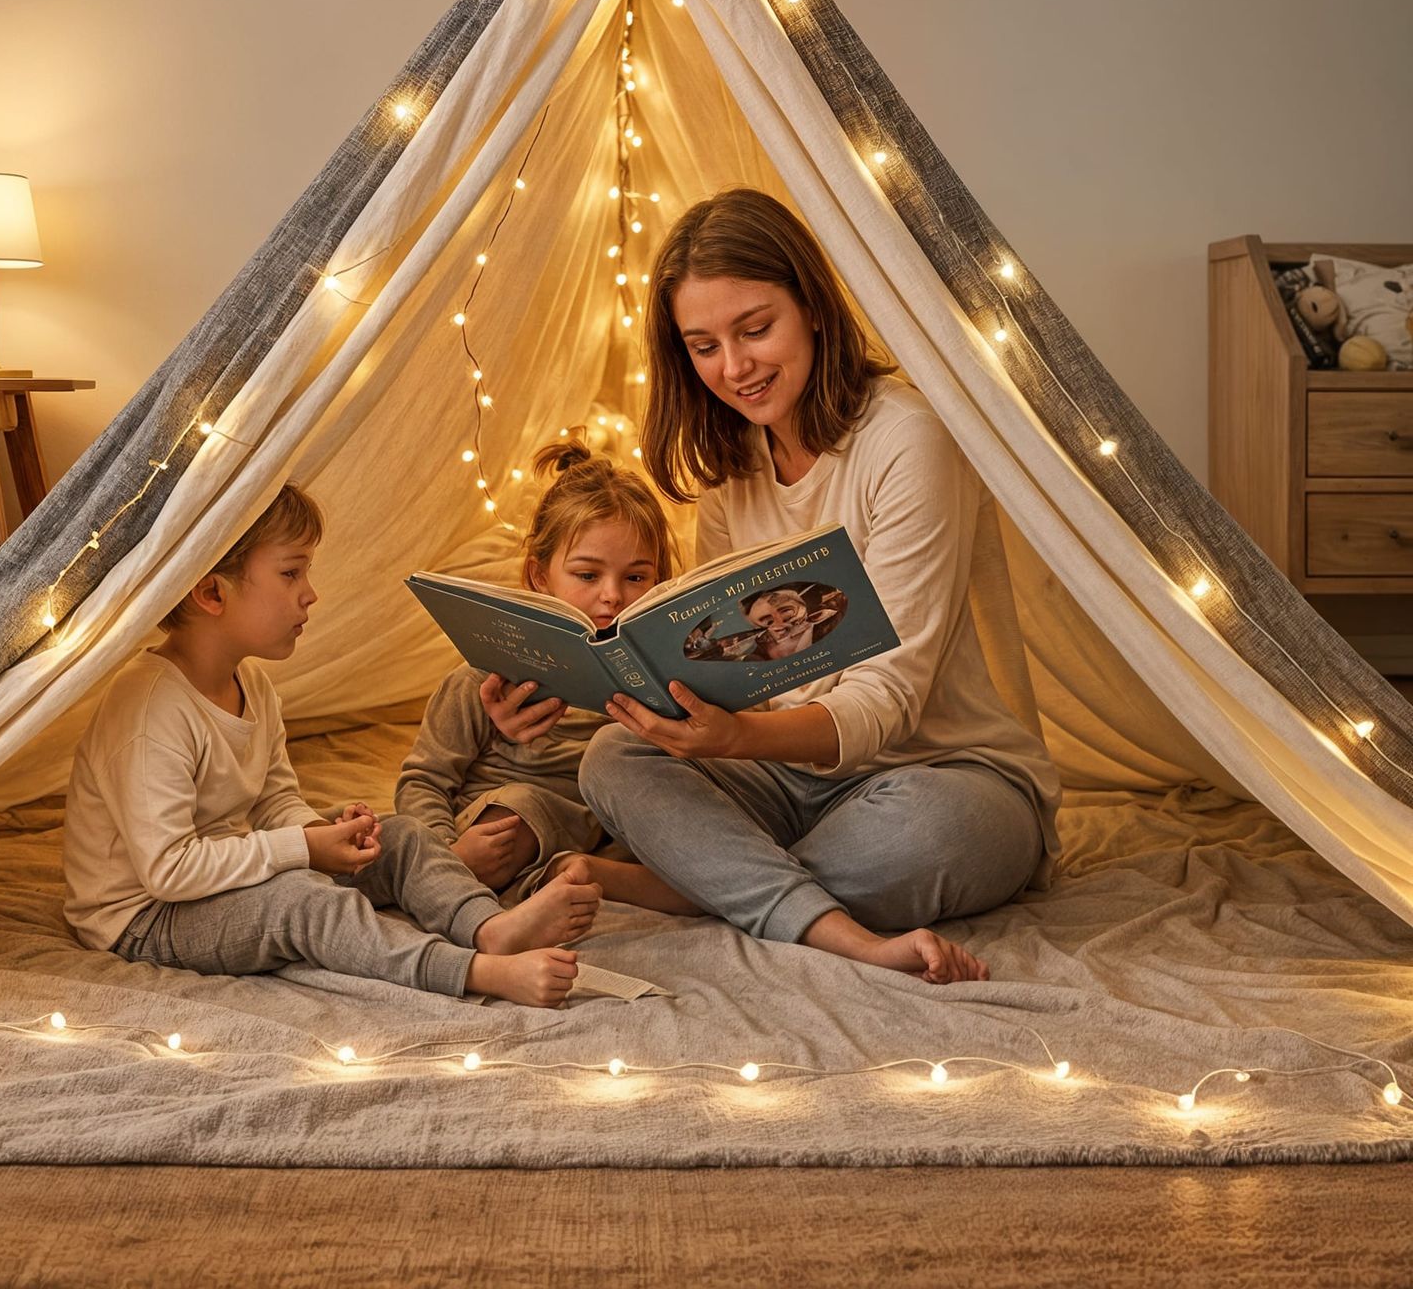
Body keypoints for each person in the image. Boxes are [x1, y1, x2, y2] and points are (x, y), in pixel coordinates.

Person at [578, 188, 1064, 985]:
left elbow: (889, 699)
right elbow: (732, 672)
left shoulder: (907, 438)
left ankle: (702, 883)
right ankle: (782, 896)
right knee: (612, 760)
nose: (734, 368)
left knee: (936, 836)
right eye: (703, 345)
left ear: (811, 307)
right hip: (788, 775)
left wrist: (736, 741)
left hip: (943, 777)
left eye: (755, 329)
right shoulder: (731, 466)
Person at [62, 484, 601, 1008]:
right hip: (150, 914)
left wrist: (323, 832)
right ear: (211, 593)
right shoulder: (149, 707)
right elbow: (169, 871)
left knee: (404, 835)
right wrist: (302, 850)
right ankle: (474, 970)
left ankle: (488, 927)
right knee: (305, 903)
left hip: (228, 872)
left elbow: (272, 802)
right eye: (291, 572)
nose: (309, 593)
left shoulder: (254, 687)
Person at [397, 439, 699, 915]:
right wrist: (442, 853)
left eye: (637, 578)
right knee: (514, 817)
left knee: (693, 862)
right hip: (497, 821)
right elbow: (423, 780)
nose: (612, 597)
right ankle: (451, 888)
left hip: (594, 831)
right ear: (540, 577)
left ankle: (556, 881)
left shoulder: (657, 678)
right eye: (587, 576)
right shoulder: (483, 677)